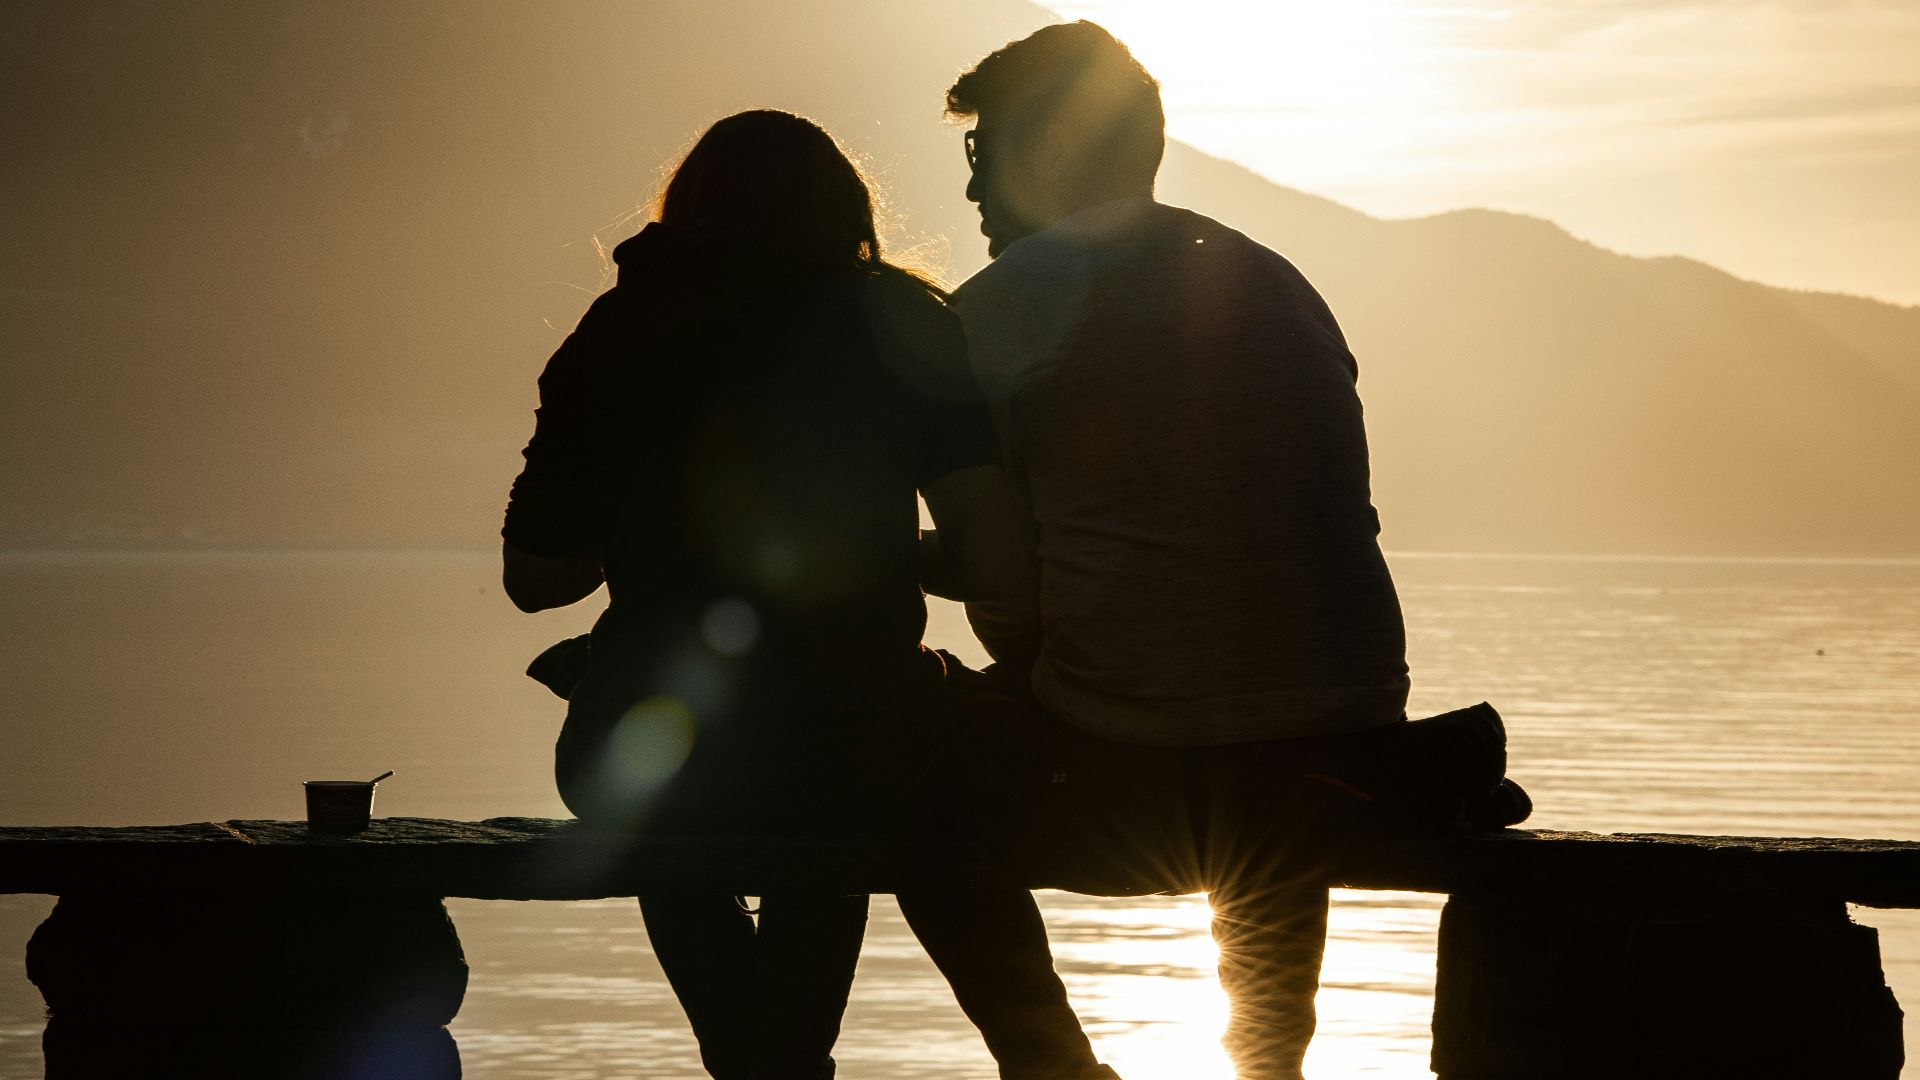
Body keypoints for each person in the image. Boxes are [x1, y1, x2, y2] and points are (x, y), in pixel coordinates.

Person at [910, 22, 1525, 1080]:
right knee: (1255, 701)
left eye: (984, 158)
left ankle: (1049, 1063)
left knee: (899, 761)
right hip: (1347, 733)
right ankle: (1269, 1060)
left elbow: (1007, 590)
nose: (971, 196)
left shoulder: (993, 315)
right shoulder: (1276, 282)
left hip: (1143, 758)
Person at [499, 109, 1088, 1080]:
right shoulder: (902, 322)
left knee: (657, 785)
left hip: (656, 742)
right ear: (844, 213)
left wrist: (661, 533)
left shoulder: (614, 330)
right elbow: (997, 563)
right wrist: (886, 563)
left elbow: (535, 581)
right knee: (857, 763)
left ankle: (761, 1067)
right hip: (856, 740)